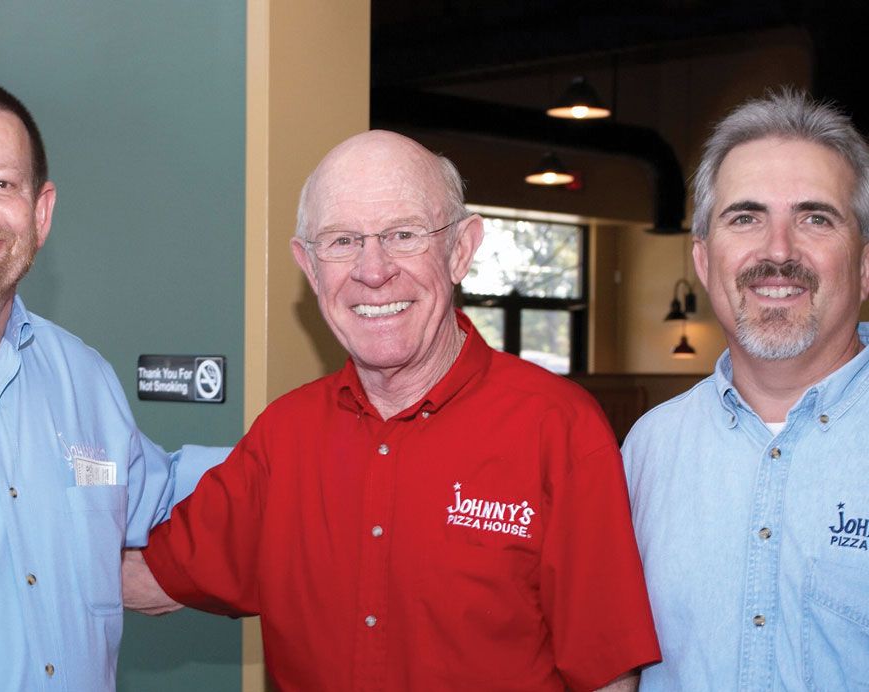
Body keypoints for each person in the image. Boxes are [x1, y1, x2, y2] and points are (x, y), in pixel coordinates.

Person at [123, 130, 660, 691]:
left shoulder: (558, 427)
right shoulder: (284, 437)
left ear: (460, 250)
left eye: (403, 235)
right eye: (342, 241)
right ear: (309, 266)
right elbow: (146, 579)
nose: (373, 271)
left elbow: (608, 676)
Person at [0, 76, 224, 691]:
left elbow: (160, 496)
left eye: (0, 183)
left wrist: (331, 451)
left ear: (40, 213)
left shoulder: (82, 376)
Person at [622, 89, 869, 691]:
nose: (778, 251)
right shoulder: (646, 452)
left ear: (865, 266)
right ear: (704, 262)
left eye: (815, 217)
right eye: (746, 217)